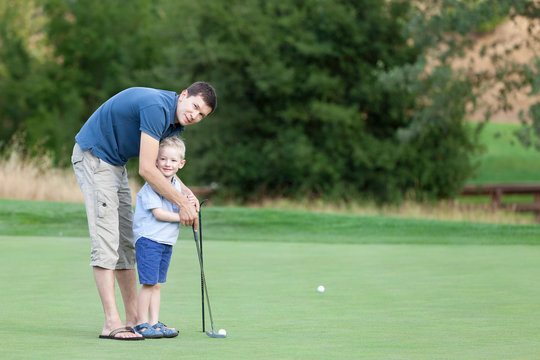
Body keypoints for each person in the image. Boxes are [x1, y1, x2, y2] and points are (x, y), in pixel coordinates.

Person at [71, 82, 217, 340]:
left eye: (202, 115)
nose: (195, 115)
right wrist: (181, 205)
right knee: (107, 240)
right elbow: (148, 170)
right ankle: (111, 324)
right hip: (95, 157)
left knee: (127, 243)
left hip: (115, 164)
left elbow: (163, 169)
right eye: (194, 106)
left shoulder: (174, 123)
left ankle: (135, 320)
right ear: (184, 95)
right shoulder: (157, 109)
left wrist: (187, 194)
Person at [132, 137, 194, 338]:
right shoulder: (152, 185)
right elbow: (159, 213)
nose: (168, 164)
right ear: (155, 161)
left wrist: (192, 206)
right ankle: (141, 323)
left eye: (173, 160)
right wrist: (184, 216)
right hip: (149, 239)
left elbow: (184, 204)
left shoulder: (176, 185)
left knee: (157, 284)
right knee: (149, 283)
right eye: (163, 159)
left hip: (165, 241)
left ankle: (154, 322)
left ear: (181, 164)